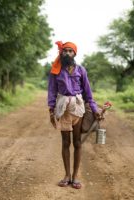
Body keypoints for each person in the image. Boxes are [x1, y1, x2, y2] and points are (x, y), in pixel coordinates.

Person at [47, 41, 101, 189]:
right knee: (65, 142)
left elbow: (88, 94)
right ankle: (66, 175)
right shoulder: (56, 70)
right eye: (65, 51)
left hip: (78, 107)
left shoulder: (81, 70)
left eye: (71, 51)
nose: (68, 53)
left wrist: (95, 109)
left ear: (75, 54)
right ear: (61, 53)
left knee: (77, 143)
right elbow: (51, 91)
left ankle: (75, 177)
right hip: (62, 108)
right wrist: (51, 110)